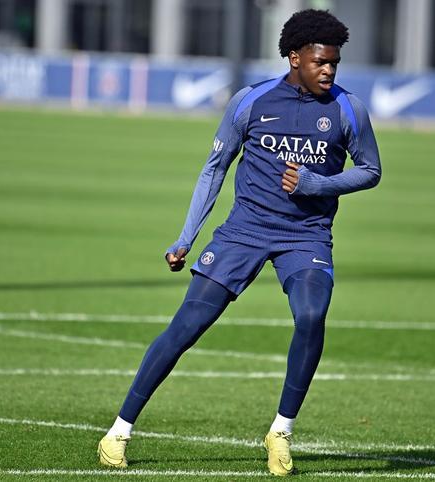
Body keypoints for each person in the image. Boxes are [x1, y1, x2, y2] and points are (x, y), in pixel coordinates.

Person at [97, 8, 381, 476]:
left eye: (334, 62)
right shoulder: (251, 101)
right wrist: (186, 237)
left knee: (312, 315)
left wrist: (317, 184)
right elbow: (215, 169)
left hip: (306, 236)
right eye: (320, 62)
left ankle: (281, 432)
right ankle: (118, 431)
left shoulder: (349, 109)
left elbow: (370, 170)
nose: (329, 70)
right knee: (188, 325)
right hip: (244, 231)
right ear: (295, 57)